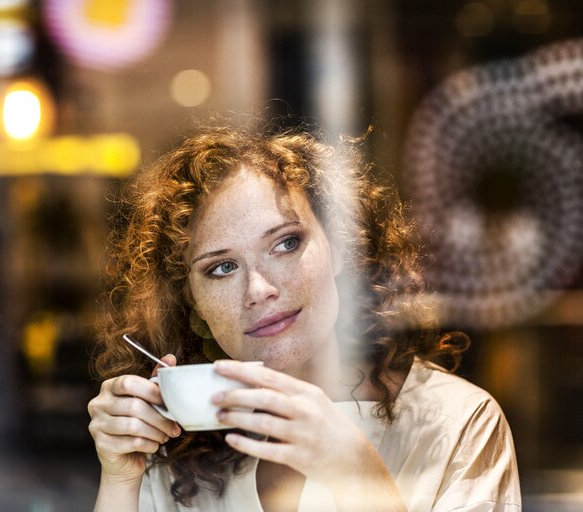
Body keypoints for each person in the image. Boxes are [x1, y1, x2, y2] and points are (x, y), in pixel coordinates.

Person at [87, 121, 521, 511]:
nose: (259, 290)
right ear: (193, 304)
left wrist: (360, 479)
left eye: (286, 244)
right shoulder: (177, 444)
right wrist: (120, 479)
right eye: (222, 267)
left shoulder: (457, 422)